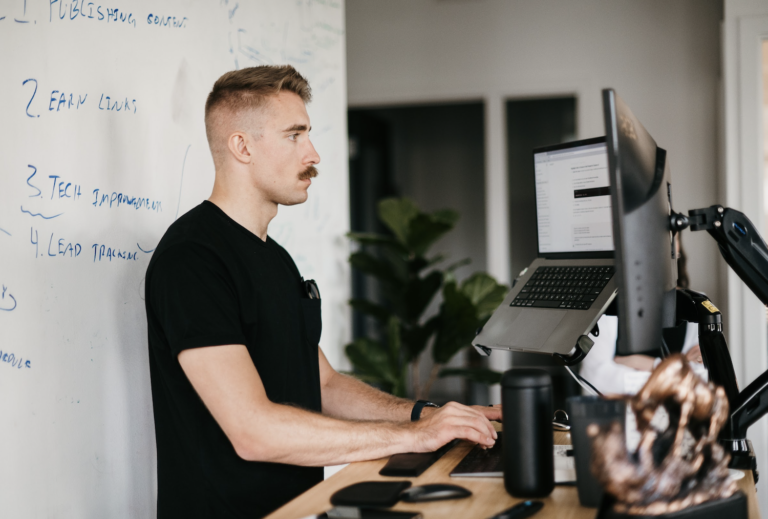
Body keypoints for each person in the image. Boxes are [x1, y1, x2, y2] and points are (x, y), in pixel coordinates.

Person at [144, 65, 501, 519]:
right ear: (242, 146)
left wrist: (426, 415)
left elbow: (324, 383)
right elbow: (253, 431)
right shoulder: (193, 260)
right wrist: (414, 439)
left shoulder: (275, 258)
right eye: (294, 135)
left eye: (307, 134)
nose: (313, 153)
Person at [579, 236, 705, 394]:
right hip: (616, 416)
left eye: (672, 235)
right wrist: (676, 367)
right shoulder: (607, 302)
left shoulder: (696, 304)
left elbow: (702, 379)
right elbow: (595, 378)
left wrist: (653, 365)